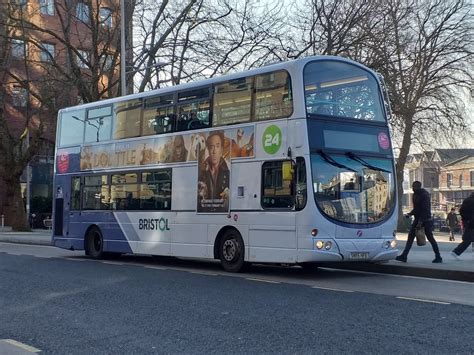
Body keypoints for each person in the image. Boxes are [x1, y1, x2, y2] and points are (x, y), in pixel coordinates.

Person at [395, 181, 442, 263]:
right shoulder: (415, 195)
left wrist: (420, 222)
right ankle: (404, 255)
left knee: (430, 238)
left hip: (425, 220)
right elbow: (417, 208)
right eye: (413, 187)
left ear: (419, 187)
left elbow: (425, 209)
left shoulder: (424, 195)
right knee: (410, 237)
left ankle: (438, 256)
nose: (413, 188)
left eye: (415, 187)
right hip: (418, 219)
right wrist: (410, 214)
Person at [198, 131, 229, 211]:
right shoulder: (201, 171)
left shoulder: (228, 171)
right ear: (208, 150)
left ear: (221, 149)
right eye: (211, 147)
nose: (214, 151)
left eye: (217, 146)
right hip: (204, 214)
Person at [451, 193, 474, 259]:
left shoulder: (467, 200)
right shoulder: (471, 202)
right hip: (471, 223)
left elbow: (461, 211)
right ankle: (455, 252)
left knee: (469, 239)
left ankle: (456, 252)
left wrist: (466, 220)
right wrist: (469, 220)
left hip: (468, 222)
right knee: (468, 240)